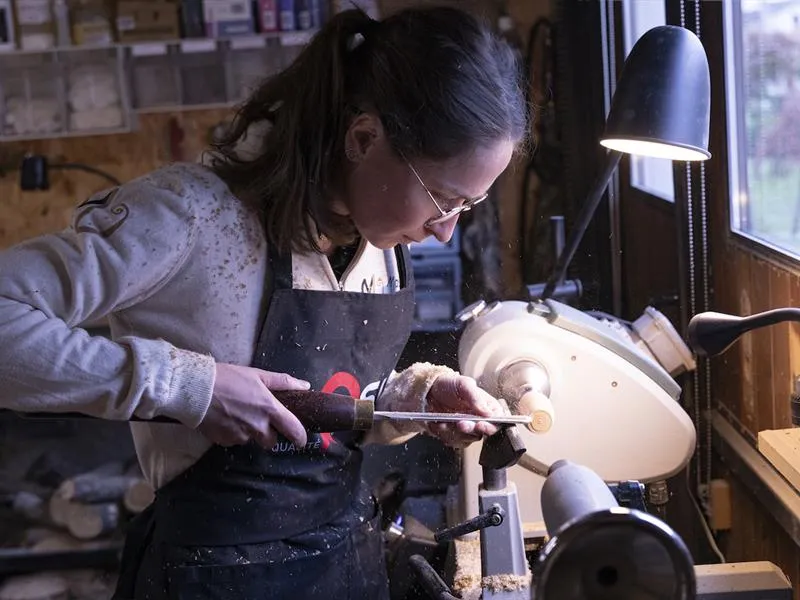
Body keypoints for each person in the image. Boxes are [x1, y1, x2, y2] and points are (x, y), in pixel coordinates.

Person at [0, 5, 529, 599]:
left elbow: (328, 394)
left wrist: (413, 398)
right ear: (363, 138)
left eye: (467, 208)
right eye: (444, 198)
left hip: (342, 565)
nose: (445, 232)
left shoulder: (376, 232)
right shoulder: (191, 218)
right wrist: (188, 387)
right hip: (215, 581)